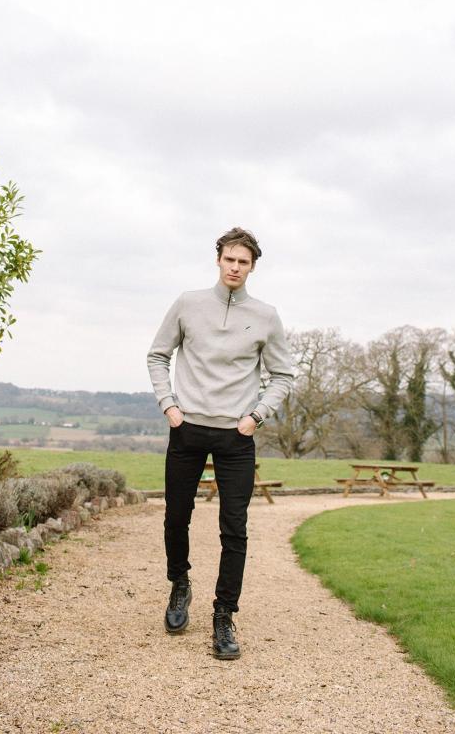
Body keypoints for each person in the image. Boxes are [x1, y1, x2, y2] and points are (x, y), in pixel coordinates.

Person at [146, 227, 293, 659]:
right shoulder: (188, 303)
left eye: (243, 262)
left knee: (234, 527)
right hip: (187, 427)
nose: (235, 267)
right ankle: (180, 584)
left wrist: (256, 416)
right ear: (218, 259)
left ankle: (224, 614)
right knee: (177, 516)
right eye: (230, 259)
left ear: (252, 267)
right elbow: (158, 355)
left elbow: (283, 375)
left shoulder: (266, 316)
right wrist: (169, 405)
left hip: (236, 436)